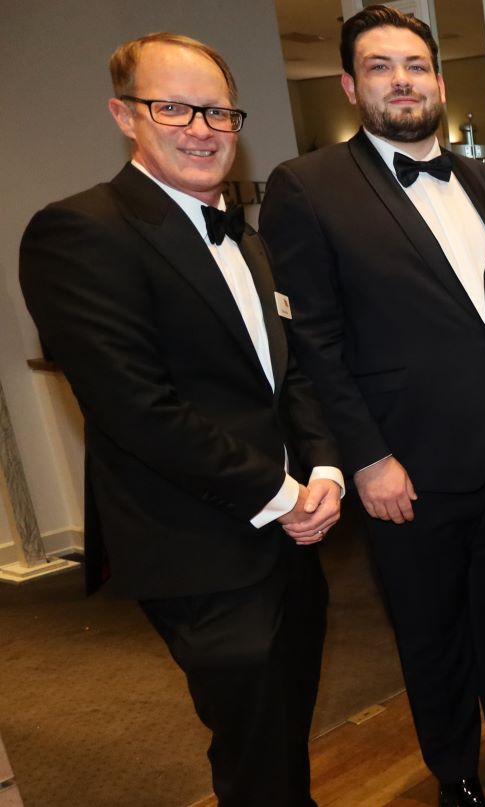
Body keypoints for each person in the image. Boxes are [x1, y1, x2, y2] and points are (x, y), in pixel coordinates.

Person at [259, 7, 485, 806]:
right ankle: (454, 768)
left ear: (440, 80)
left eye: (415, 65)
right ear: (349, 85)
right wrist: (366, 458)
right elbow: (316, 346)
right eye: (380, 67)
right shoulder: (306, 186)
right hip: (402, 459)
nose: (401, 80)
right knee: (431, 625)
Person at [18, 33, 342, 806]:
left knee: (281, 731)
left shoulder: (248, 238)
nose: (202, 128)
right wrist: (283, 494)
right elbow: (137, 407)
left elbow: (287, 373)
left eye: (219, 112)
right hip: (198, 547)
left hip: (292, 538)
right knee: (252, 748)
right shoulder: (79, 232)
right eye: (174, 107)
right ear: (124, 115)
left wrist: (325, 466)